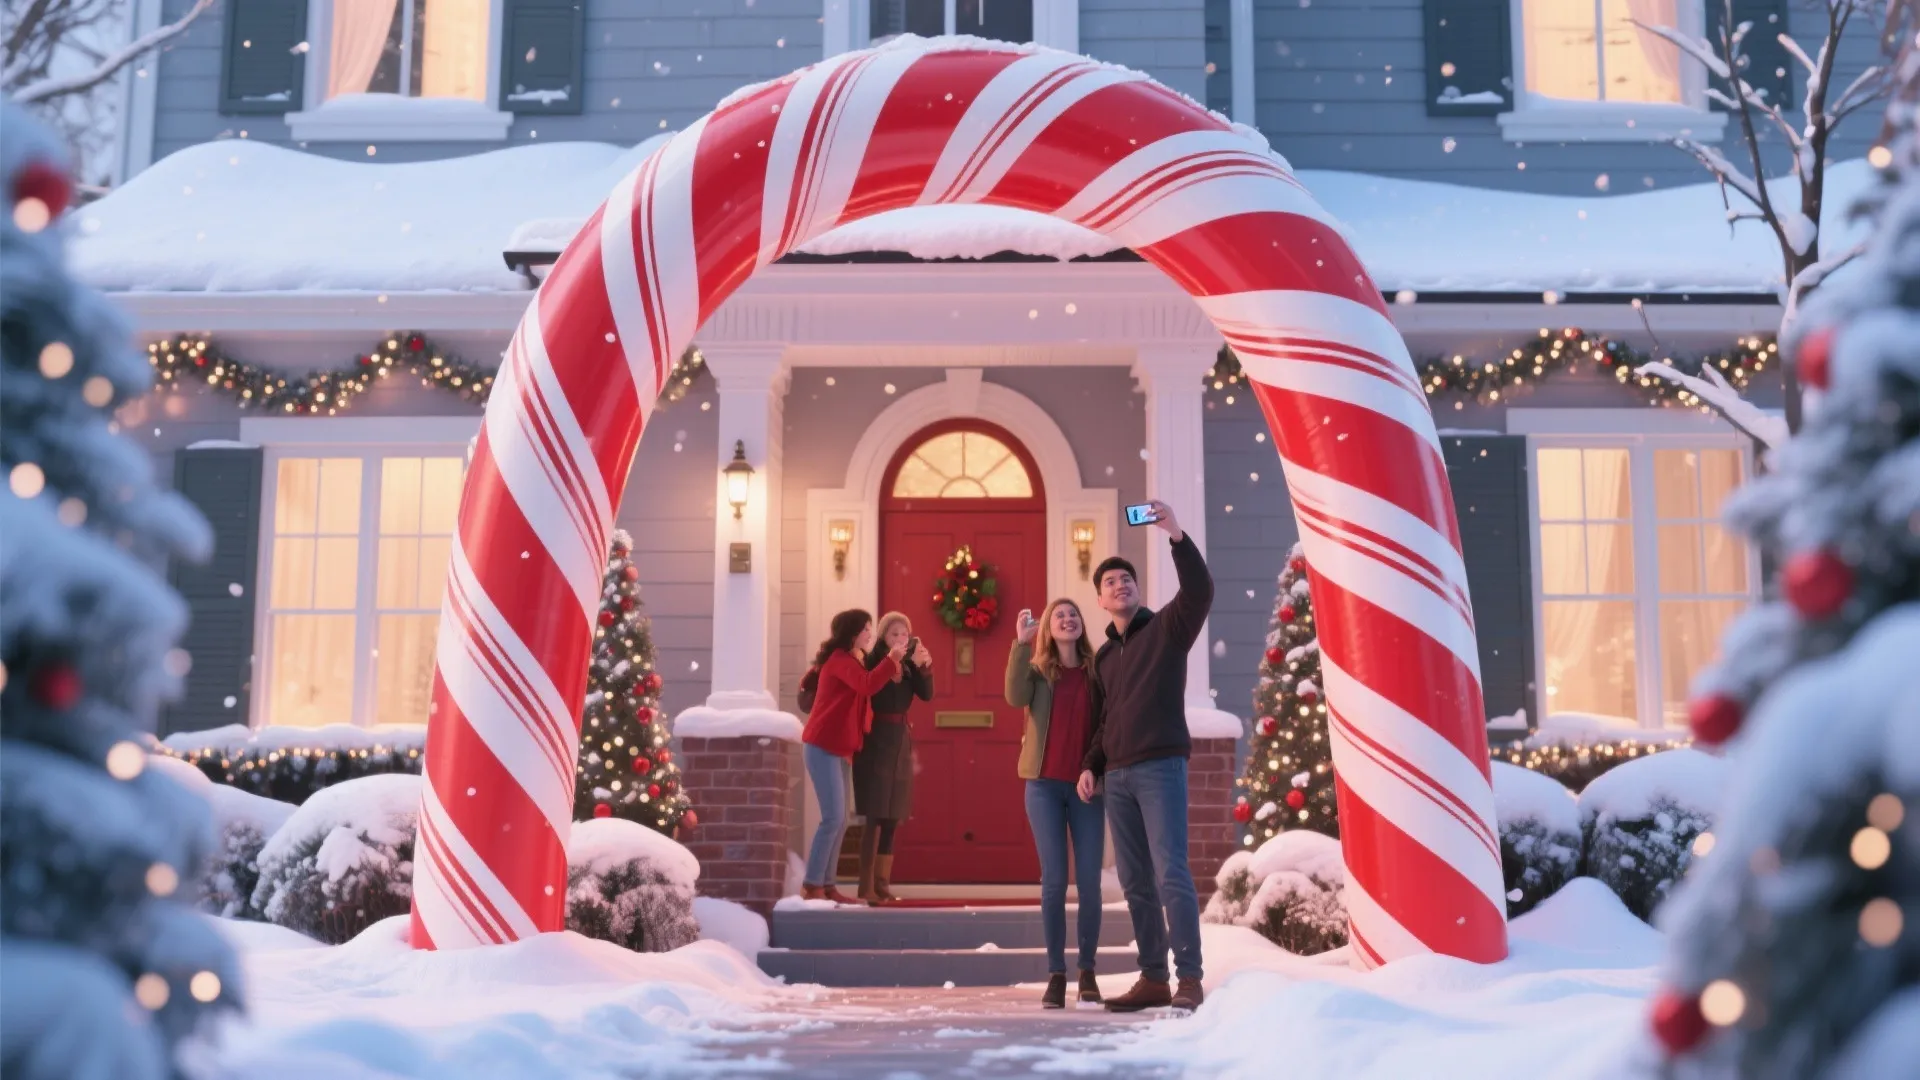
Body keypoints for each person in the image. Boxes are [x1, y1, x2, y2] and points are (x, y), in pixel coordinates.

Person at [1080, 498, 1214, 1012]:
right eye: (1110, 582)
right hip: (1116, 777)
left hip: (1160, 767)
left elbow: (1200, 590)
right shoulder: (1105, 657)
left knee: (1170, 872)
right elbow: (1105, 718)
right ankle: (1153, 976)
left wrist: (1175, 534)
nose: (1120, 585)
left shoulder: (1167, 629)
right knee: (1135, 881)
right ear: (1100, 598)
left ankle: (1190, 978)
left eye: (1127, 579)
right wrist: (1092, 765)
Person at [1006, 598, 1106, 1011]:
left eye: (1073, 614)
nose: (1068, 619)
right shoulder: (1036, 670)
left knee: (1089, 883)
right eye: (1059, 616)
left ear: (1082, 624)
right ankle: (1056, 974)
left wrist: (1096, 769)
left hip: (1086, 786)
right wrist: (1019, 645)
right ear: (1048, 627)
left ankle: (1086, 971)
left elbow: (1107, 721)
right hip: (1044, 786)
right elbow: (1014, 697)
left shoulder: (1097, 671)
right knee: (1053, 882)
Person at [799, 609, 905, 903]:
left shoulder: (853, 660)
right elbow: (867, 684)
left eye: (871, 628)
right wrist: (891, 660)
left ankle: (828, 883)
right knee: (832, 818)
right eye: (866, 628)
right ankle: (812, 885)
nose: (870, 633)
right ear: (852, 632)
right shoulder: (839, 661)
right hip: (822, 746)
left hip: (839, 748)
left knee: (841, 819)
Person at [854, 612, 934, 905]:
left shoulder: (910, 666)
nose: (900, 639)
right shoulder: (874, 661)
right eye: (893, 634)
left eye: (904, 634)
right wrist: (891, 662)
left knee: (892, 815)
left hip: (900, 739)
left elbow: (927, 695)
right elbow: (871, 690)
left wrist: (925, 668)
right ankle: (866, 886)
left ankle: (883, 883)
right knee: (875, 813)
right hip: (876, 740)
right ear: (883, 637)